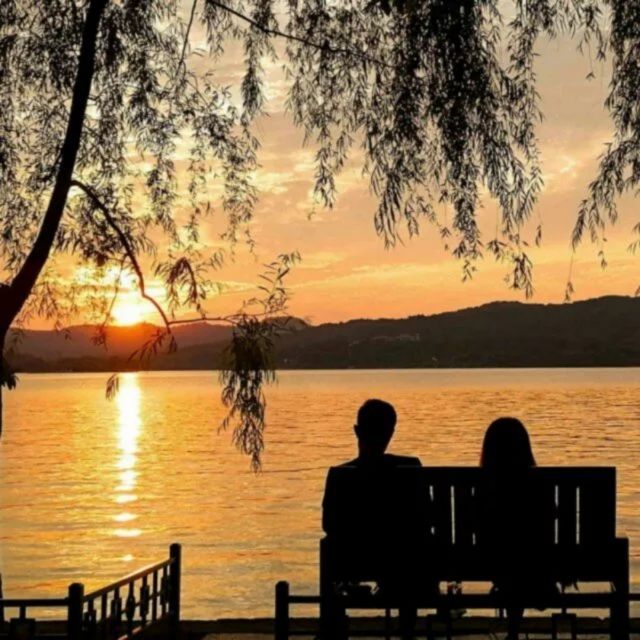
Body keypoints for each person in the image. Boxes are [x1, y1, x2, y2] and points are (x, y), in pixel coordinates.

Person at [322, 399, 430, 639]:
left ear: (357, 431)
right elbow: (425, 520)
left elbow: (329, 525)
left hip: (353, 563)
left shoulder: (339, 476)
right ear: (391, 432)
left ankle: (332, 628)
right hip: (407, 564)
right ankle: (407, 630)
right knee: (413, 545)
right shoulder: (411, 468)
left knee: (329, 546)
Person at [478, 417, 558, 640]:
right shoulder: (540, 484)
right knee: (521, 554)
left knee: (509, 557)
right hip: (534, 560)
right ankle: (516, 624)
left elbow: (474, 525)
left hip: (491, 561)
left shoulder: (482, 485)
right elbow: (549, 520)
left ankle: (512, 629)